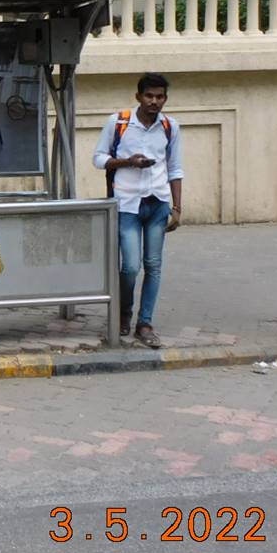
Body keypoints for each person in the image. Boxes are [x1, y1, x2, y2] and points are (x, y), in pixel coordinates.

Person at [92, 73, 184, 348]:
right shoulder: (119, 122)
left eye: (159, 97)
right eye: (149, 96)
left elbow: (175, 168)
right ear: (138, 97)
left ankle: (145, 323)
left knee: (153, 265)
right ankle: (123, 314)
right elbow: (98, 159)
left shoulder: (170, 127)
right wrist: (127, 162)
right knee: (130, 267)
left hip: (158, 202)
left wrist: (177, 208)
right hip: (128, 204)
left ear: (165, 99)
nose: (154, 102)